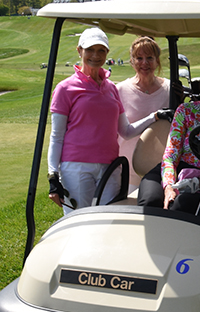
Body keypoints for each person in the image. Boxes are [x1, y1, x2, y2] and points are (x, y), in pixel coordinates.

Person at [47, 28, 170, 215]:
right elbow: (56, 137)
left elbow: (126, 131)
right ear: (79, 51)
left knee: (110, 221)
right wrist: (53, 175)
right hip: (77, 168)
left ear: (106, 54)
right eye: (90, 50)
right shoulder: (65, 88)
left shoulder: (111, 88)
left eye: (101, 51)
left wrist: (155, 116)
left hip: (110, 167)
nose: (95, 55)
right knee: (79, 222)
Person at [135, 58, 200, 212]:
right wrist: (169, 186)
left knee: (180, 205)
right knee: (150, 201)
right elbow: (171, 152)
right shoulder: (185, 111)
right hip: (176, 168)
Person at [116, 36, 171, 189]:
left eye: (149, 58)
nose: (144, 63)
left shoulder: (169, 89)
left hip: (160, 170)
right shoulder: (120, 90)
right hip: (126, 170)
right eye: (139, 58)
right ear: (132, 61)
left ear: (157, 60)